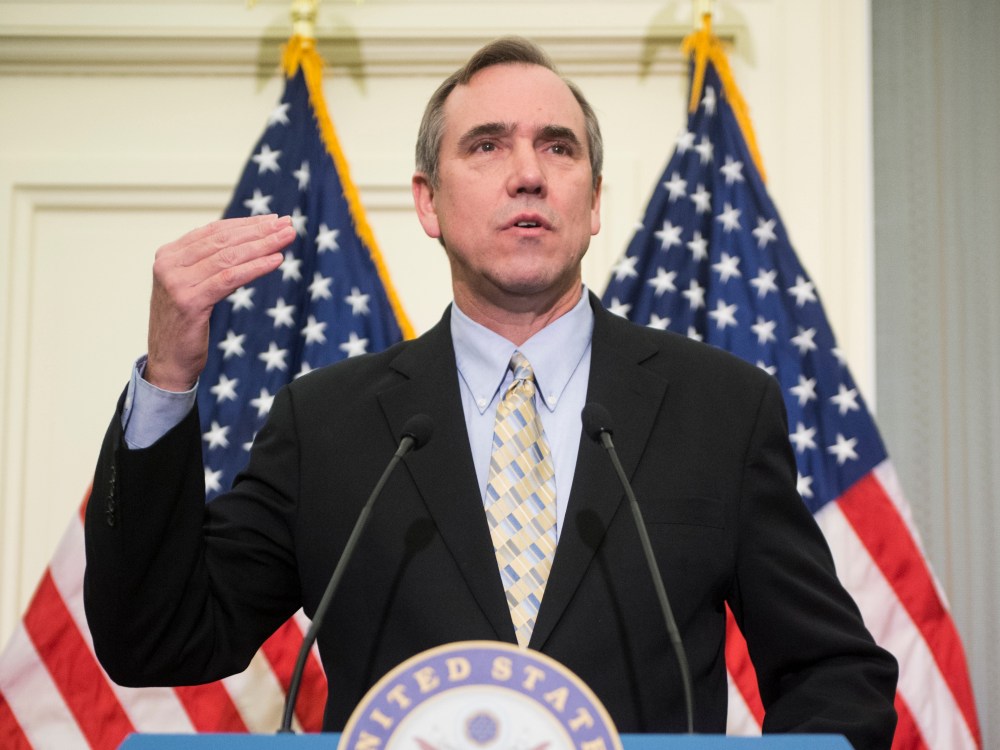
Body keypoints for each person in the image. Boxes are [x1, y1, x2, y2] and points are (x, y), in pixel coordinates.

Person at [84, 37, 898, 746]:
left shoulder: (719, 409)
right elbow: (159, 640)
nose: (528, 175)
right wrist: (168, 378)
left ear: (593, 203)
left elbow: (836, 672)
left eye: (558, 147)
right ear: (427, 202)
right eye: (486, 146)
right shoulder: (327, 423)